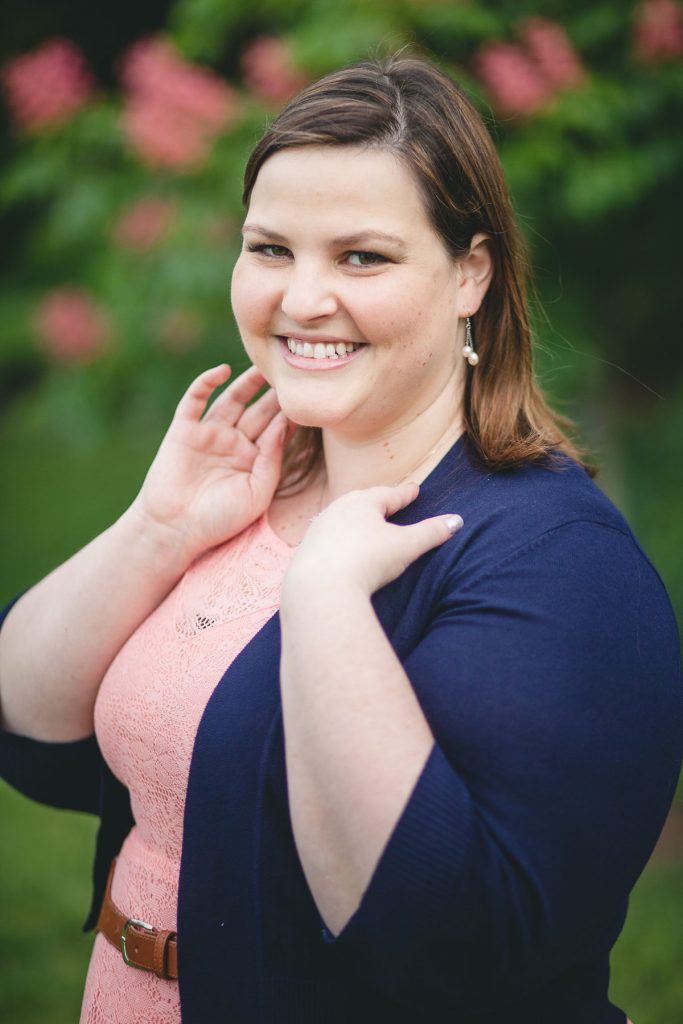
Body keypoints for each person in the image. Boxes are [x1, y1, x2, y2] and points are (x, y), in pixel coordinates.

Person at [0, 54, 680, 1024]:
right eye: (270, 248)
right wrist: (155, 529)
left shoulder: (557, 563)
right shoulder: (242, 489)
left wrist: (322, 602)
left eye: (361, 256)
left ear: (468, 274)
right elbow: (28, 733)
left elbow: (453, 944)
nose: (301, 298)